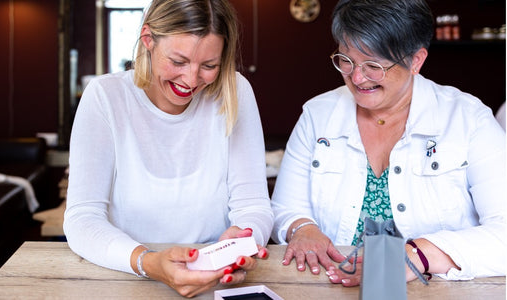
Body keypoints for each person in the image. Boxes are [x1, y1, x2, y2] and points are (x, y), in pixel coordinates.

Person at [271, 0, 506, 287]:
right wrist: (302, 228)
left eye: (374, 66)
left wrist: (419, 253)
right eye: (346, 60)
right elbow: (285, 207)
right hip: (333, 287)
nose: (357, 78)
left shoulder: (469, 120)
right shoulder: (317, 115)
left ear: (416, 61)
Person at [63, 0, 273, 297]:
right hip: (124, 277)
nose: (191, 80)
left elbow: (253, 206)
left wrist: (242, 241)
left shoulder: (235, 90)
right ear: (148, 39)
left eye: (209, 65)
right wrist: (147, 262)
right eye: (178, 61)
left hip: (215, 282)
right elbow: (82, 219)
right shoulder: (105, 97)